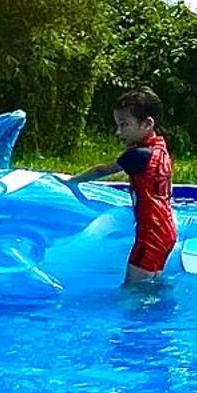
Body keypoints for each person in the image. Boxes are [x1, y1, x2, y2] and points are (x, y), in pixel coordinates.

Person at [68, 87, 176, 283]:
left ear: (147, 123)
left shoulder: (137, 156)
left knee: (133, 289)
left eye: (124, 125)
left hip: (150, 233)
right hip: (166, 229)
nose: (118, 132)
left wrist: (71, 181)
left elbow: (102, 170)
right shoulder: (160, 149)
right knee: (152, 282)